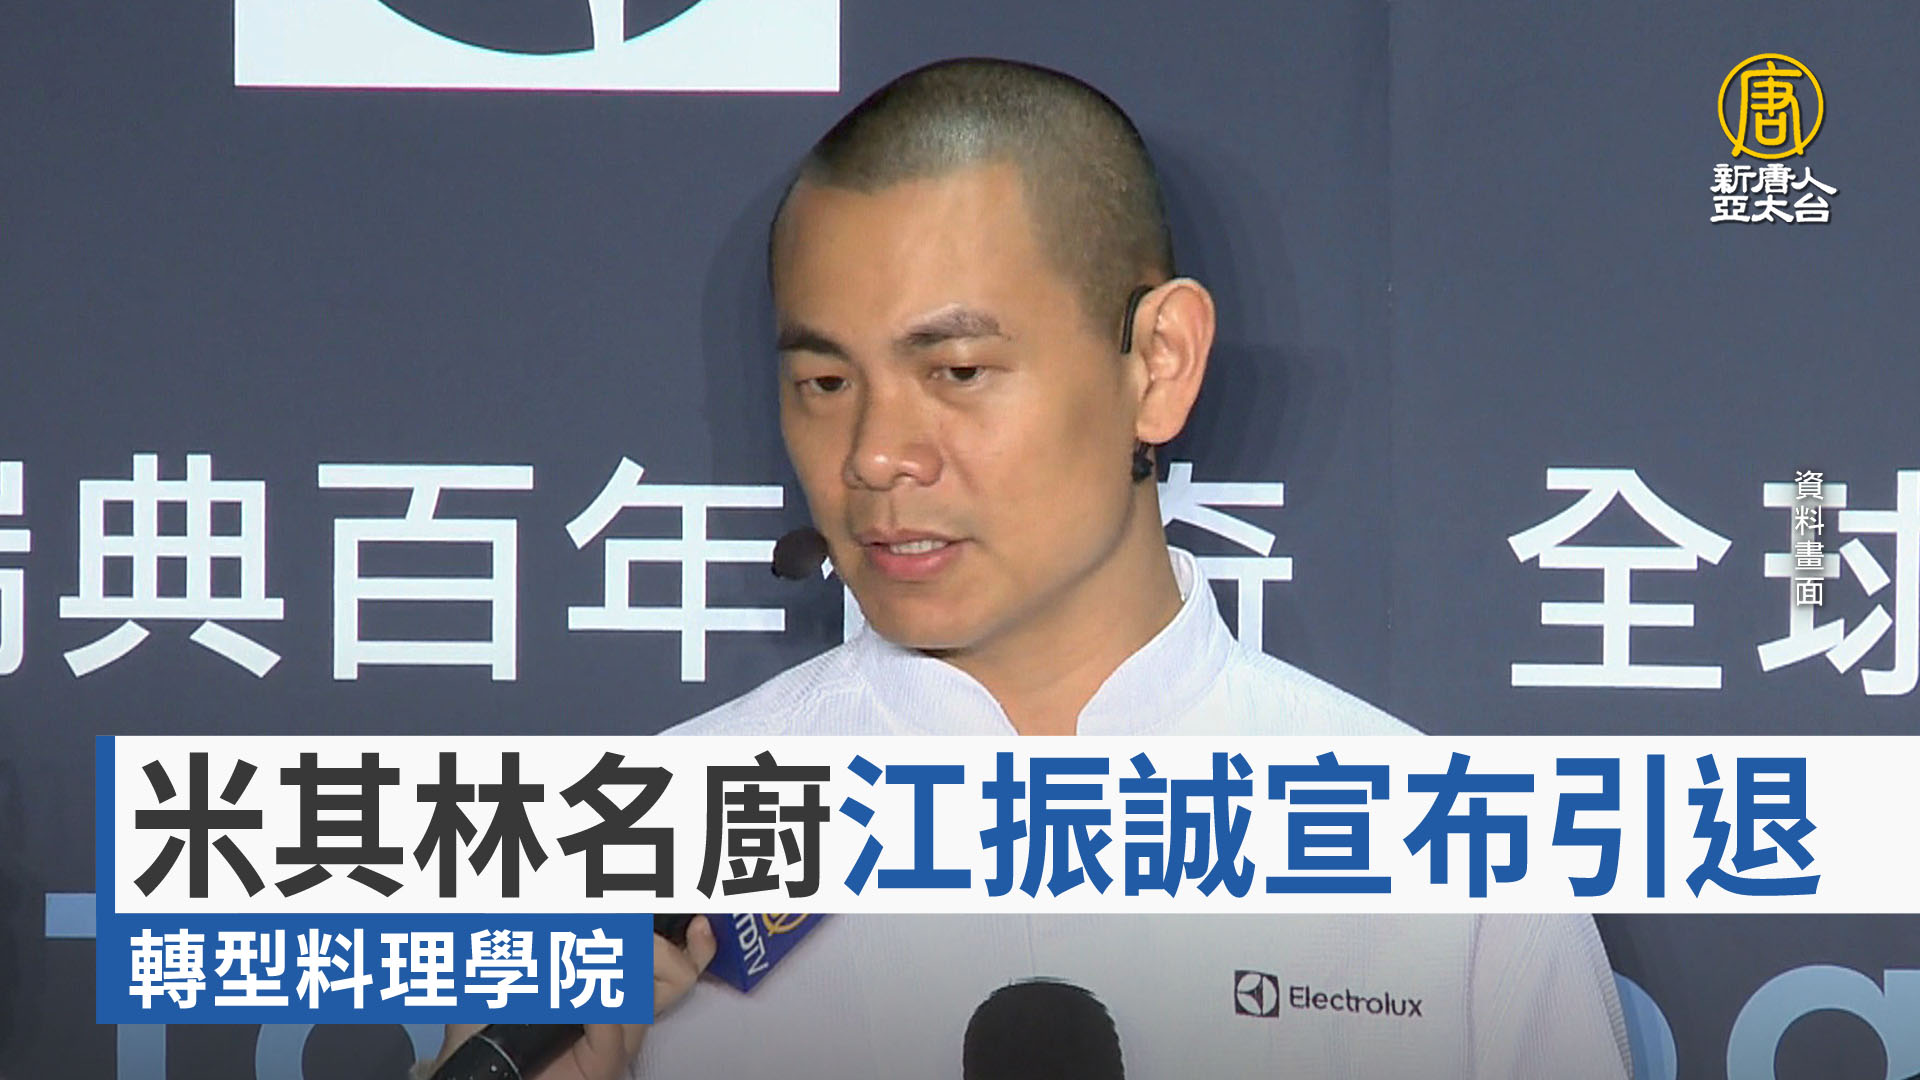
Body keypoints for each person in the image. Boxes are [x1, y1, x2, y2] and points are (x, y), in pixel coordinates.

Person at [431, 56, 1633, 1080]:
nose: (876, 456)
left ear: (1158, 362)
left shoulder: (1454, 876)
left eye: (956, 372)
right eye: (825, 382)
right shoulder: (631, 853)